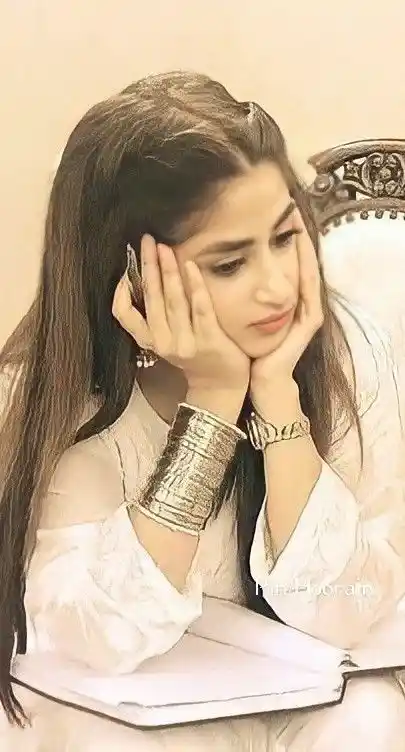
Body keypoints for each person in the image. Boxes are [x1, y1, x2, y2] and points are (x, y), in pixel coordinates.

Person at [1, 71, 405, 752]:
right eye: (228, 265)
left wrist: (276, 396)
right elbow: (102, 635)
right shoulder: (60, 398)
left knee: (370, 718)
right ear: (132, 275)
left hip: (301, 695)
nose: (277, 287)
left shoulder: (346, 352)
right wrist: (213, 402)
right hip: (121, 712)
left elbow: (347, 611)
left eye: (284, 238)